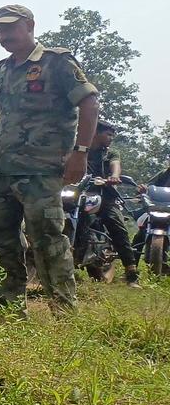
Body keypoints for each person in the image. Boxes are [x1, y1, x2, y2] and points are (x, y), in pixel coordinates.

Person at [0, 4, 100, 315]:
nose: (3, 35)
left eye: (9, 28)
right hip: (2, 172)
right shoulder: (1, 70)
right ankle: (9, 311)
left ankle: (64, 312)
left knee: (47, 240)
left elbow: (89, 103)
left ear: (30, 25)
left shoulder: (56, 62)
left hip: (42, 170)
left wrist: (81, 152)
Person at [79, 121, 140, 286]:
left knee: (117, 227)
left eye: (112, 135)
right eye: (108, 134)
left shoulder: (111, 153)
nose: (111, 138)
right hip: (79, 195)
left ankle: (131, 273)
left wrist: (114, 176)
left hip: (105, 196)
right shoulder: (79, 150)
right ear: (95, 133)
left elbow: (116, 166)